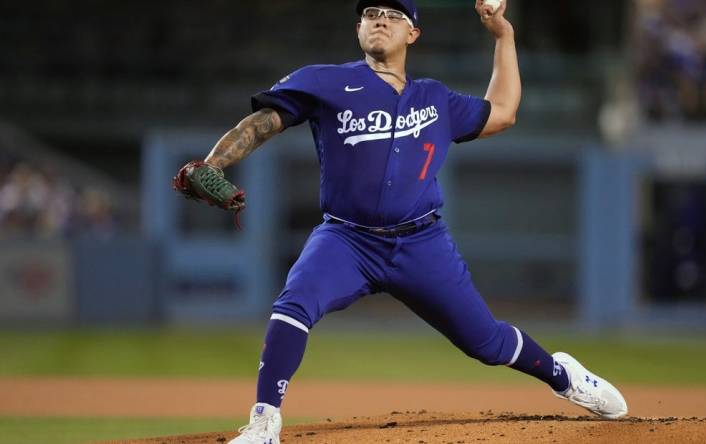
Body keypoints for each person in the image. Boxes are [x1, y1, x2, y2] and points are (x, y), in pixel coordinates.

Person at [175, 2, 627, 443]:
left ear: (413, 34)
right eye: (371, 14)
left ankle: (562, 374)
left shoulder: (435, 98)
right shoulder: (326, 82)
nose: (380, 20)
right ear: (358, 30)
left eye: (394, 15)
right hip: (346, 239)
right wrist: (213, 163)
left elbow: (504, 111)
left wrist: (503, 35)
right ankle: (264, 423)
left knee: (485, 343)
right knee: (294, 303)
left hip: (421, 242)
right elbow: (262, 123)